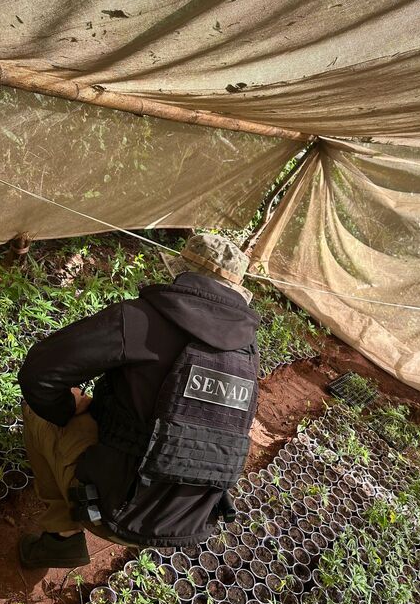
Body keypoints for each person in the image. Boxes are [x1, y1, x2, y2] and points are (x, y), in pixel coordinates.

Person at [18, 234, 259, 569]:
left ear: (182, 274)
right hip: (184, 525)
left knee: (37, 411)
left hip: (109, 511)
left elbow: (39, 374)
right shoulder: (247, 353)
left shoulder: (140, 319)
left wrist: (68, 410)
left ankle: (61, 537)